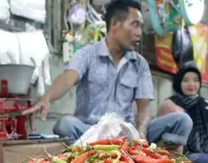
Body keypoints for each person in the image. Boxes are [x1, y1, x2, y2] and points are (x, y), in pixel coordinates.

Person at [22, 0, 192, 150]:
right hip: (90, 131)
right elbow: (67, 78)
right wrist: (47, 98)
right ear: (115, 24)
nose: (139, 32)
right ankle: (92, 159)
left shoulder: (140, 64)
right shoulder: (87, 54)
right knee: (65, 124)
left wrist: (141, 132)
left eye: (140, 26)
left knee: (182, 121)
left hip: (126, 134)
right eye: (135, 24)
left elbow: (144, 108)